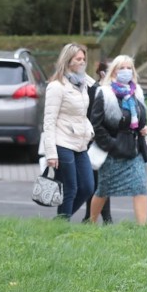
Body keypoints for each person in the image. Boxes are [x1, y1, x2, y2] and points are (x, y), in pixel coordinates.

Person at [88, 55, 147, 225]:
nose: (126, 71)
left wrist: (143, 127)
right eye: (121, 68)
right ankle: (91, 222)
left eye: (129, 68)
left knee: (140, 186)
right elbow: (96, 125)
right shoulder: (104, 92)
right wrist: (111, 144)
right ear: (113, 72)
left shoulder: (137, 92)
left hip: (134, 148)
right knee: (103, 189)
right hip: (112, 151)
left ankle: (142, 228)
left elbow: (142, 117)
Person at [42, 43, 95, 220]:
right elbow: (49, 121)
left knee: (88, 186)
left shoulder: (83, 83)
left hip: (80, 141)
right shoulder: (57, 86)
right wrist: (51, 153)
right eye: (78, 59)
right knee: (70, 187)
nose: (82, 62)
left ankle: (60, 221)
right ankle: (62, 225)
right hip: (62, 141)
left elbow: (97, 88)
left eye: (83, 59)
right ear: (68, 60)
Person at [83, 61, 112, 224]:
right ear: (102, 73)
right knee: (95, 181)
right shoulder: (93, 91)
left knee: (103, 181)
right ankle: (94, 216)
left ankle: (98, 217)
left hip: (108, 141)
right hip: (94, 141)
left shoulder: (115, 91)